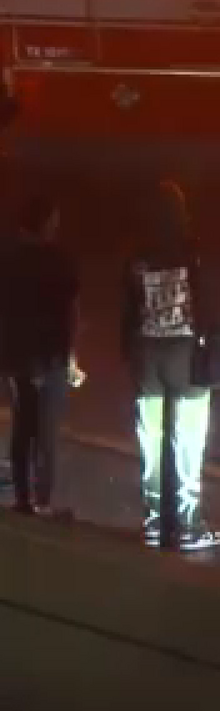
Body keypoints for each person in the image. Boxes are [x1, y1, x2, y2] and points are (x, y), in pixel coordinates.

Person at [122, 180, 220, 550]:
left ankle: (153, 519)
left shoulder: (136, 257)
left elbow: (127, 311)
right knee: (189, 441)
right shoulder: (194, 252)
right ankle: (187, 523)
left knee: (150, 439)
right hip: (187, 357)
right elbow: (211, 304)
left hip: (147, 356)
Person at [4, 192, 83, 517]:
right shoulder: (60, 261)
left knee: (22, 426)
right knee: (46, 430)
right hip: (51, 354)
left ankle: (22, 497)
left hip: (17, 355)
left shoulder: (8, 258)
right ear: (47, 223)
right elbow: (71, 311)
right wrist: (72, 356)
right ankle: (42, 499)